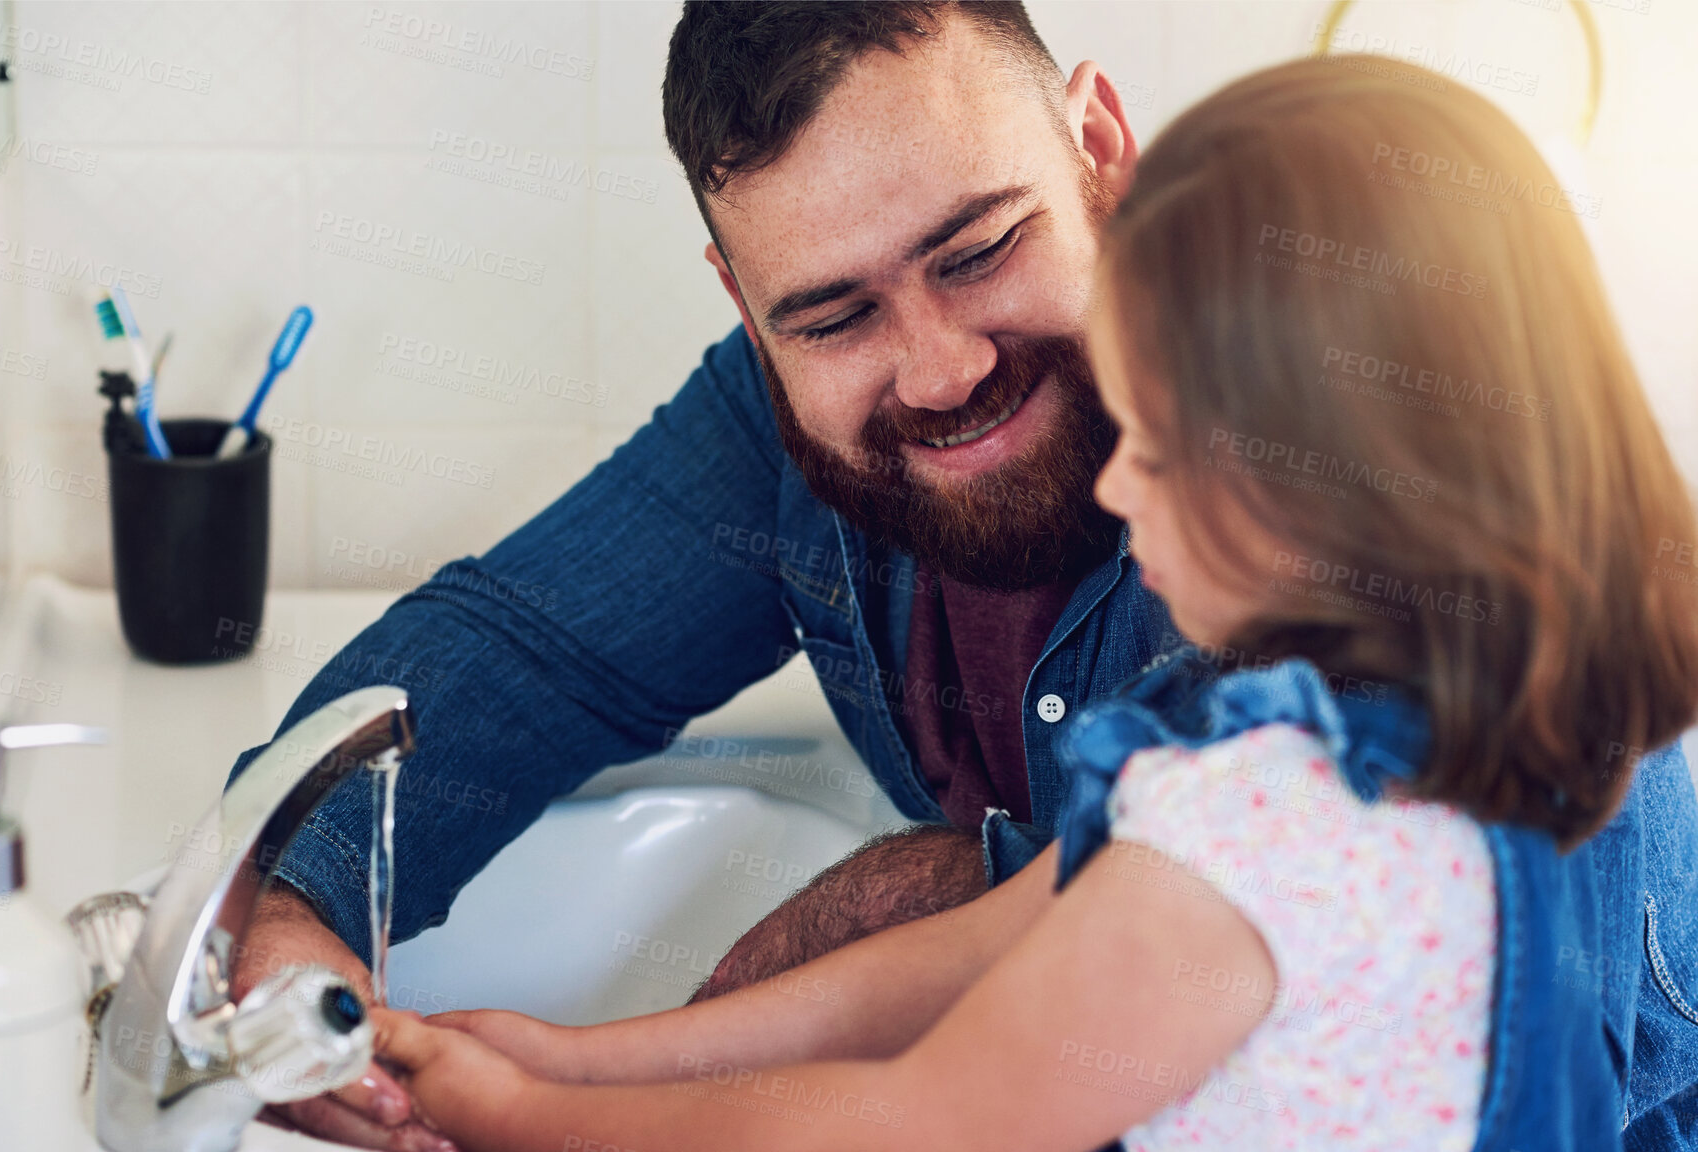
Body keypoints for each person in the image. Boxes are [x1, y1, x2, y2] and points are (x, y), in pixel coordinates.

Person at [217, 5, 1698, 1149]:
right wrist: (296, 905)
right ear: (750, 308)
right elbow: (509, 656)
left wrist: (532, 1111)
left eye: (980, 248)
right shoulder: (1253, 776)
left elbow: (949, 1075)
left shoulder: (1365, 639)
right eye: (833, 314)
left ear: (1097, 149)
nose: (938, 366)